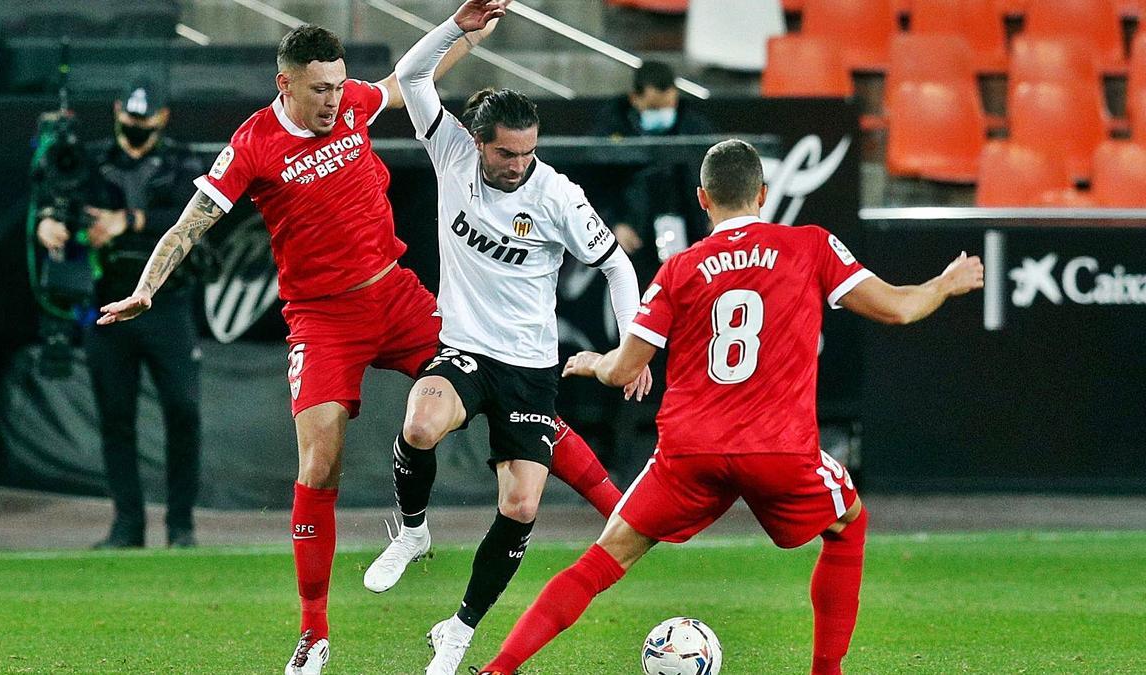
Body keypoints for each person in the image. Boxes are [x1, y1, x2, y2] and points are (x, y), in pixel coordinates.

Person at [96, 16, 624, 675]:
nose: (332, 101)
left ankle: (619, 511)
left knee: (504, 377)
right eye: (319, 89)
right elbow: (189, 224)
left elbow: (409, 82)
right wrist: (148, 287)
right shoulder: (254, 143)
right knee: (319, 459)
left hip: (395, 294)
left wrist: (468, 32)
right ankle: (314, 633)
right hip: (321, 318)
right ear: (283, 84)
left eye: (339, 86)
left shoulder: (352, 105)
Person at [478, 139, 985, 675]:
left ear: (703, 199)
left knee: (604, 559)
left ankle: (499, 668)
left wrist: (594, 363)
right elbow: (899, 310)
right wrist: (944, 284)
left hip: (690, 451)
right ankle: (826, 672)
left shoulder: (679, 268)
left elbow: (625, 370)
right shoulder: (810, 245)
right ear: (763, 194)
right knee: (847, 526)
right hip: (780, 451)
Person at [362, 3, 649, 673]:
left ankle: (458, 628)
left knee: (520, 504)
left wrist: (634, 343)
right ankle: (411, 532)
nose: (518, 164)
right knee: (422, 420)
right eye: (506, 152)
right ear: (479, 140)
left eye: (527, 151)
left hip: (528, 365)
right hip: (464, 345)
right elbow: (411, 73)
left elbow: (615, 264)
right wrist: (458, 28)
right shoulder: (452, 149)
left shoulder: (556, 194)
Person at [37, 78, 206, 549]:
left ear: (163, 118)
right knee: (115, 415)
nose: (135, 128)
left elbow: (197, 220)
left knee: (183, 409)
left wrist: (126, 222)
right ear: (116, 112)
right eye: (128, 120)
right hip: (106, 300)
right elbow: (53, 202)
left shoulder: (182, 161)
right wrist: (49, 224)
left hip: (167, 303)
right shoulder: (88, 160)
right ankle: (127, 525)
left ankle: (180, 525)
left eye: (144, 120)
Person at [589, 60, 714, 287]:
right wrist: (613, 223)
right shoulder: (610, 127)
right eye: (654, 108)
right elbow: (596, 183)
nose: (664, 114)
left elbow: (712, 173)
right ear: (635, 99)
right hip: (633, 236)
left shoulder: (694, 126)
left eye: (669, 106)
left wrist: (712, 215)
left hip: (687, 231)